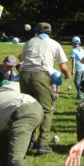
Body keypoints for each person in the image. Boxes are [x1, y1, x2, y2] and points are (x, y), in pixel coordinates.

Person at [19, 22, 70, 154]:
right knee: (46, 110)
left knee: (27, 109)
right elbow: (63, 67)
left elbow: (22, 58)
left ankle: (27, 141)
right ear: (50, 32)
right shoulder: (54, 44)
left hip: (24, 76)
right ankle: (43, 143)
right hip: (41, 76)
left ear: (36, 31)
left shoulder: (29, 42)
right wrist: (67, 75)